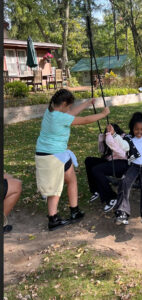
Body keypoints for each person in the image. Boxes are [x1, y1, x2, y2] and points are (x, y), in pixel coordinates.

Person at [35, 89, 110, 231]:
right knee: (55, 188)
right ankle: (53, 219)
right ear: (63, 104)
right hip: (54, 156)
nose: (69, 109)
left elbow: (70, 114)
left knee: (70, 180)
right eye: (69, 106)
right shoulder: (59, 117)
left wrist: (87, 103)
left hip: (47, 154)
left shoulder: (50, 112)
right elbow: (85, 120)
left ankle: (74, 211)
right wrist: (103, 114)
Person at [114, 112, 142, 225]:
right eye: (136, 129)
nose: (139, 132)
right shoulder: (129, 139)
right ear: (132, 128)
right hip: (134, 166)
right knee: (124, 182)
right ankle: (122, 213)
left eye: (141, 129)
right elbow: (121, 144)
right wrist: (113, 134)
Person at [85, 123, 130, 212]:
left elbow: (121, 154)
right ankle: (96, 190)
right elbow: (102, 151)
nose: (107, 133)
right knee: (89, 160)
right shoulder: (107, 137)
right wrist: (102, 140)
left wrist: (111, 138)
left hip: (122, 163)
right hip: (110, 161)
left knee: (97, 170)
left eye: (109, 131)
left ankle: (111, 197)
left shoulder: (122, 138)